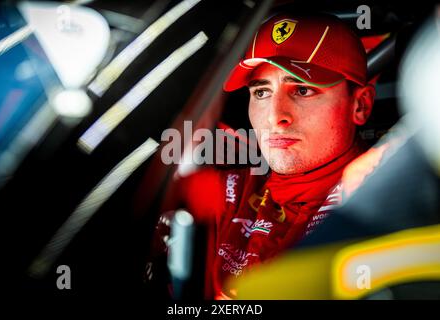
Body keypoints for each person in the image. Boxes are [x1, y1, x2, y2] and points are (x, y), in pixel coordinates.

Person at [148, 12, 376, 300]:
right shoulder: (223, 191)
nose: (274, 117)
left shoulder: (378, 208)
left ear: (361, 106)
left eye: (302, 90)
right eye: (261, 93)